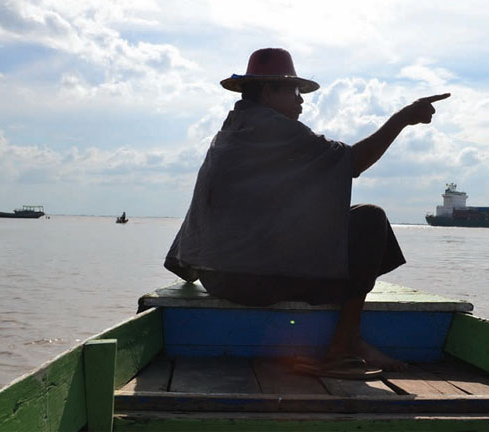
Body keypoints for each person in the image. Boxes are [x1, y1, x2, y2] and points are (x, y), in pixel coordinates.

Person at [165, 48, 450, 376]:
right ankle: (344, 347)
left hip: (219, 276)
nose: (302, 101)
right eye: (295, 91)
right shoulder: (273, 128)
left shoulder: (233, 129)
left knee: (350, 224)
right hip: (249, 280)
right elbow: (353, 163)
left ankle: (345, 342)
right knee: (370, 219)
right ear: (269, 91)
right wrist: (403, 118)